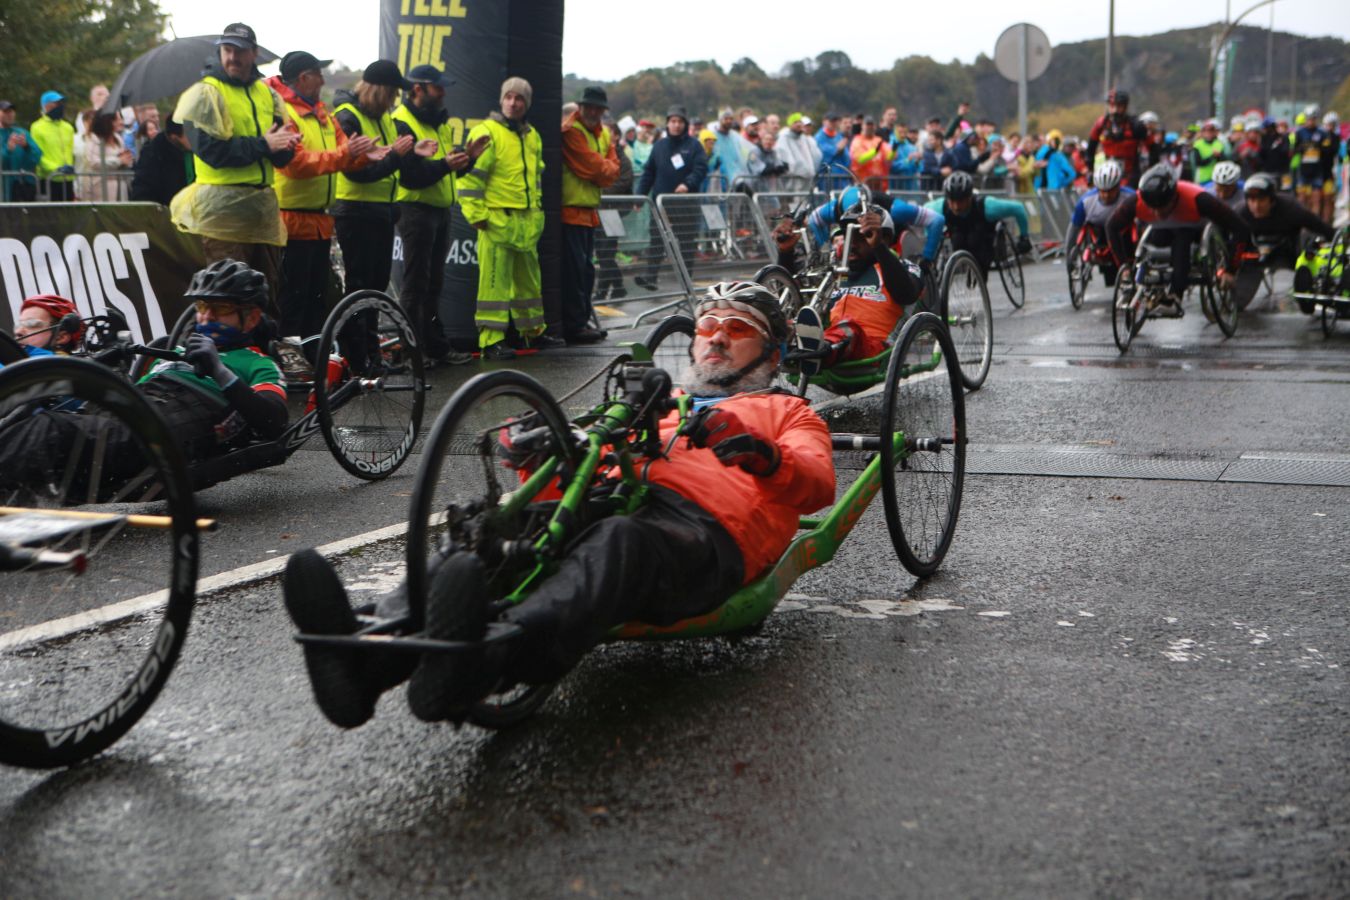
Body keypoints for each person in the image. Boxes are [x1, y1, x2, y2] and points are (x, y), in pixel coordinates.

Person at [281, 280, 836, 728]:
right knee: (491, 528)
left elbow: (816, 483)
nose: (715, 338)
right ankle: (363, 657)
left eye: (737, 329)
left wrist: (765, 456)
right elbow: (572, 455)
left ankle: (484, 665)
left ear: (771, 352)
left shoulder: (789, 414)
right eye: (708, 326)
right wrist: (533, 444)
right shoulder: (658, 398)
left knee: (620, 543)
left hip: (702, 530)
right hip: (605, 496)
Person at [0, 260, 288, 499]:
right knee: (24, 416)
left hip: (160, 434)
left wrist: (218, 369)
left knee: (47, 429)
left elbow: (274, 421)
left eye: (221, 309)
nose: (205, 317)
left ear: (250, 319)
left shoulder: (257, 363)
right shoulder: (172, 352)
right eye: (202, 306)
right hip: (124, 419)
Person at [170, 23, 301, 313]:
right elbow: (213, 152)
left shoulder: (268, 95)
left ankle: (264, 356)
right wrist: (265, 145)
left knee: (265, 298)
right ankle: (224, 359)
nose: (232, 57)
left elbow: (278, 155)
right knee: (227, 301)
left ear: (253, 54)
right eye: (227, 50)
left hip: (261, 212)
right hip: (223, 214)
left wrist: (287, 146)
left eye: (240, 51)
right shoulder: (205, 93)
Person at [266, 50, 380, 351]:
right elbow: (297, 165)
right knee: (292, 297)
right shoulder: (283, 114)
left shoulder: (321, 113)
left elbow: (344, 154)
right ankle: (289, 359)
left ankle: (314, 357)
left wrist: (366, 156)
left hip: (319, 221)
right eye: (319, 74)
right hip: (290, 220)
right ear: (304, 77)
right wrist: (348, 154)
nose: (323, 80)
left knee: (316, 298)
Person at [392, 65, 484, 365]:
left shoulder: (438, 122)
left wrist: (466, 160)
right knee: (416, 285)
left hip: (438, 210)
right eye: (437, 87)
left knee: (433, 285)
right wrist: (447, 165)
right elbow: (411, 176)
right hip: (415, 211)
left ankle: (434, 347)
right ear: (418, 89)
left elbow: (445, 170)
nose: (443, 93)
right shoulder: (402, 122)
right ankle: (411, 353)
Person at [331, 60, 417, 369]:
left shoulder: (384, 119)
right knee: (359, 286)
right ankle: (356, 357)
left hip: (380, 213)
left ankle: (370, 354)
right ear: (379, 91)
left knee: (376, 286)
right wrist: (396, 156)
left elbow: (389, 165)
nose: (395, 101)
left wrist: (409, 154)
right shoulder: (347, 117)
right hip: (355, 212)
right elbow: (359, 175)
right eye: (393, 93)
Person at [458, 77, 549, 359]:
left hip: (525, 223)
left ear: (526, 103)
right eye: (508, 97)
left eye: (519, 98)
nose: (513, 102)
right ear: (501, 100)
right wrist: (477, 216)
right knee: (493, 286)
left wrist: (536, 214)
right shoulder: (487, 132)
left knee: (528, 285)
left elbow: (535, 179)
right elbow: (469, 179)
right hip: (497, 221)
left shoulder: (532, 135)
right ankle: (491, 341)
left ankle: (532, 334)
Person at [775, 204, 923, 368]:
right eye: (848, 237)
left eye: (861, 237)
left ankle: (817, 352)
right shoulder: (837, 272)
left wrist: (878, 246)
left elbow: (907, 294)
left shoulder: (904, 267)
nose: (851, 245)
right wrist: (785, 252)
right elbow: (793, 300)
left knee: (849, 329)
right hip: (828, 340)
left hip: (872, 349)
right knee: (778, 320)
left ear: (885, 238)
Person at [1104, 163, 1250, 316]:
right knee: (1149, 239)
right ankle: (1141, 281)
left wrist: (1231, 270)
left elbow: (1241, 228)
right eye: (1152, 207)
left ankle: (1174, 297)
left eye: (1162, 207)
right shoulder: (1135, 201)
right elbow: (1111, 227)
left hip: (1193, 231)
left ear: (1174, 197)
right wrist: (1124, 266)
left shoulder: (1199, 199)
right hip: (1160, 231)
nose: (1157, 212)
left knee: (1182, 238)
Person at [559, 86, 620, 345]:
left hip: (587, 213)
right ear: (581, 107)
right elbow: (593, 168)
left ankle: (581, 321)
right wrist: (603, 168)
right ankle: (574, 325)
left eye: (598, 108)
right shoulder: (571, 131)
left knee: (585, 272)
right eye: (589, 107)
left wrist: (601, 169)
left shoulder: (602, 133)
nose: (593, 112)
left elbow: (611, 170)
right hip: (570, 212)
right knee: (574, 273)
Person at [1235, 172, 1334, 312]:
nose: (1256, 206)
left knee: (1308, 244)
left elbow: (1318, 225)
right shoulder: (1241, 212)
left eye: (1261, 200)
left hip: (1288, 250)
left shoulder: (1290, 209)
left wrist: (1335, 237)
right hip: (1253, 255)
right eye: (1251, 200)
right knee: (1235, 304)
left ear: (1272, 199)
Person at [635, 105, 705, 289]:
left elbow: (700, 169)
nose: (676, 125)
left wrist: (687, 184)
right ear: (667, 124)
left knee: (686, 242)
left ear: (685, 124)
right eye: (673, 121)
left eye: (680, 121)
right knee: (657, 239)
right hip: (661, 203)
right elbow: (648, 172)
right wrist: (640, 196)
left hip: (685, 203)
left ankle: (685, 280)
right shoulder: (659, 146)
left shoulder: (694, 145)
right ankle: (650, 276)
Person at [926, 171, 1031, 277]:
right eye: (952, 201)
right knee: (958, 240)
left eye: (960, 201)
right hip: (957, 233)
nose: (956, 206)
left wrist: (1024, 236)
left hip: (983, 235)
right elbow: (924, 215)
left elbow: (1019, 209)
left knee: (975, 241)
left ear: (969, 197)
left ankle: (980, 275)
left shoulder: (988, 206)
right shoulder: (939, 207)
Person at [1064, 161, 1136, 286]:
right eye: (1102, 191)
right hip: (1098, 235)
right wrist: (1070, 258)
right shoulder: (1085, 202)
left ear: (1118, 186)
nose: (1106, 195)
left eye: (1111, 191)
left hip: (1123, 235)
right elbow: (1074, 230)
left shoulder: (1131, 197)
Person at [1085, 89, 1149, 187]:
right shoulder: (1101, 124)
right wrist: (1090, 170)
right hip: (1108, 172)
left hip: (1130, 174)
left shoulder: (1136, 125)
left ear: (1125, 107)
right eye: (1112, 106)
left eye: (1119, 106)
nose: (1115, 110)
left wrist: (1149, 170)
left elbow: (1152, 148)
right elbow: (1091, 148)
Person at [129, 117, 194, 205]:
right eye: (190, 134)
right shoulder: (153, 152)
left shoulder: (198, 149)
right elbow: (142, 189)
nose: (195, 138)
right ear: (174, 136)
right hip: (166, 210)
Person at [30, 90, 76, 201]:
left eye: (61, 103)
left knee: (68, 214)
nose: (60, 106)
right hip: (48, 178)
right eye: (56, 103)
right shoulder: (37, 127)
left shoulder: (68, 127)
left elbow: (71, 151)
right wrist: (55, 168)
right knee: (51, 215)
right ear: (46, 106)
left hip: (67, 178)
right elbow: (37, 154)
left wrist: (71, 166)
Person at [79, 111, 133, 201]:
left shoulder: (118, 139)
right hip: (99, 188)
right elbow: (92, 162)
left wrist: (128, 159)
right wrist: (118, 161)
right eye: (116, 119)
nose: (121, 122)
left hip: (120, 187)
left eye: (121, 119)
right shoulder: (93, 139)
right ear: (107, 121)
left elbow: (125, 160)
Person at [10, 295, 84, 357]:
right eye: (18, 326)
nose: (18, 332)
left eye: (31, 324)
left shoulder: (60, 368)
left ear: (61, 337)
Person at [0, 100, 42, 201]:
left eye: (12, 111)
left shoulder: (22, 133)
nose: (10, 114)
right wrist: (8, 150)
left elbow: (37, 156)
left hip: (22, 188)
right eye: (6, 111)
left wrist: (26, 146)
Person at [777, 112, 821, 192]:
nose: (798, 124)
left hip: (808, 178)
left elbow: (814, 156)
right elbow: (786, 158)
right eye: (795, 122)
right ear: (790, 125)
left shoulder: (805, 138)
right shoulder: (784, 138)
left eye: (800, 122)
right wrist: (794, 170)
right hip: (794, 179)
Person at [849, 116, 893, 191]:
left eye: (871, 125)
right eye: (867, 124)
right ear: (862, 126)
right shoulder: (857, 140)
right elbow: (859, 159)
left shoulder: (879, 140)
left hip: (879, 185)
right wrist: (874, 151)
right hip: (862, 184)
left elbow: (888, 158)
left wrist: (894, 150)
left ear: (875, 126)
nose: (869, 127)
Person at [816, 111, 850, 190]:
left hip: (841, 178)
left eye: (835, 121)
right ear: (824, 121)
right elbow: (822, 154)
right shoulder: (819, 137)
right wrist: (837, 149)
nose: (834, 123)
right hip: (825, 178)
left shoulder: (839, 136)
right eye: (831, 121)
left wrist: (840, 150)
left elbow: (847, 157)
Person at [1190, 119, 1228, 186]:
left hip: (1216, 178)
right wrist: (1212, 156)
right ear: (1203, 133)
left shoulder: (1219, 144)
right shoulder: (1198, 145)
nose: (1208, 134)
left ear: (1214, 133)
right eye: (1206, 132)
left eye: (1211, 132)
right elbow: (1198, 163)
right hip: (1202, 178)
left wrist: (1219, 156)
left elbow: (1223, 161)